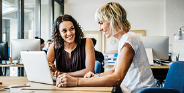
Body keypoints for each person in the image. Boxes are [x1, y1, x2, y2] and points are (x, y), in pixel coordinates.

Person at [56, 2, 156, 93]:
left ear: (112, 19)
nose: (99, 28)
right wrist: (97, 76)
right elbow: (113, 70)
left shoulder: (129, 40)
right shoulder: (125, 39)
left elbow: (117, 79)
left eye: (101, 23)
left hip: (138, 91)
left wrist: (77, 82)